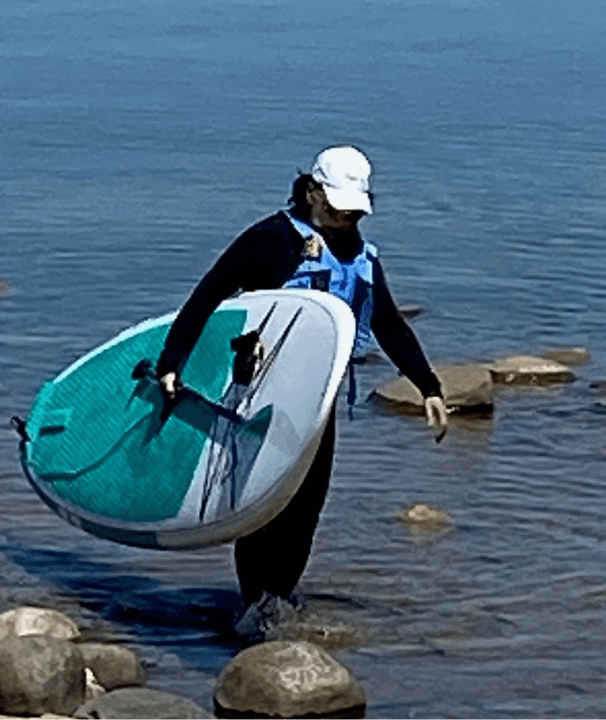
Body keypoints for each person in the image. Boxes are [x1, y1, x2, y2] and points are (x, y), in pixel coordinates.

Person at [155, 145, 448, 634]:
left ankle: (279, 600)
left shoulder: (362, 256)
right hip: (258, 398)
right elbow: (209, 294)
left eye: (354, 211)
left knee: (306, 507)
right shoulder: (270, 240)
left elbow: (389, 324)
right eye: (336, 208)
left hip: (319, 402)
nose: (345, 219)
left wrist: (429, 386)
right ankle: (254, 607)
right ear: (312, 192)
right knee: (260, 505)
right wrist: (172, 362)